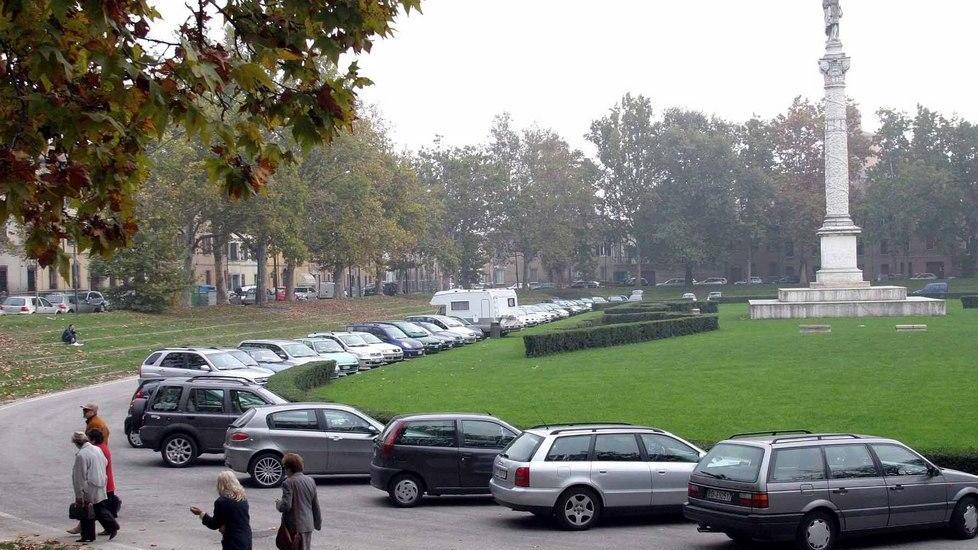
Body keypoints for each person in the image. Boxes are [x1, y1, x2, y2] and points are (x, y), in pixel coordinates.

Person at [71, 431, 118, 542]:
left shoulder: (81, 455)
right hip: (100, 482)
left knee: (86, 510)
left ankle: (89, 535)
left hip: (89, 485)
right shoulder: (97, 449)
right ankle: (110, 527)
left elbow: (79, 477)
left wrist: (79, 495)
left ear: (77, 443)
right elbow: (105, 462)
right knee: (97, 508)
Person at [191, 471, 252, 550]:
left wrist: (201, 513)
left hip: (233, 541)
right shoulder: (242, 499)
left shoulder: (222, 502)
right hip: (246, 538)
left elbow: (214, 524)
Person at [276, 453, 321, 550]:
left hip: (294, 526)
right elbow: (315, 504)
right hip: (308, 524)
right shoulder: (310, 480)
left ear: (288, 468)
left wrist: (278, 504)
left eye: (284, 467)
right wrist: (318, 522)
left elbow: (286, 505)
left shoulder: (288, 482)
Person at [86, 428, 120, 527]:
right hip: (107, 482)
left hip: (103, 482)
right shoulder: (102, 447)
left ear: (93, 440)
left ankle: (112, 526)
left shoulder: (98, 449)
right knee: (104, 507)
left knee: (101, 508)